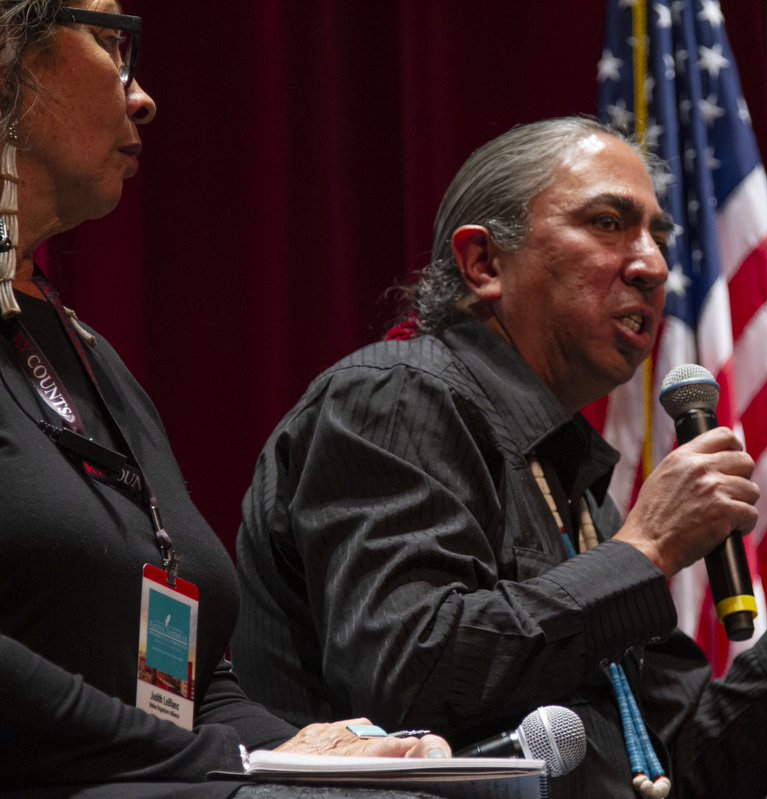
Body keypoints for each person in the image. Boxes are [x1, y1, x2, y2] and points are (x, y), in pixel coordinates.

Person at [232, 116, 767, 798]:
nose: (653, 266)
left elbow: (690, 768)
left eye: (658, 236)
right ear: (483, 262)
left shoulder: (573, 486)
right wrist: (644, 552)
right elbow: (411, 674)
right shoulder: (396, 396)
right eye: (608, 223)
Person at [0, 3, 447, 796]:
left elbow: (194, 686)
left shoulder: (89, 355)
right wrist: (231, 768)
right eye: (109, 43)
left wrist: (309, 752)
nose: (143, 98)